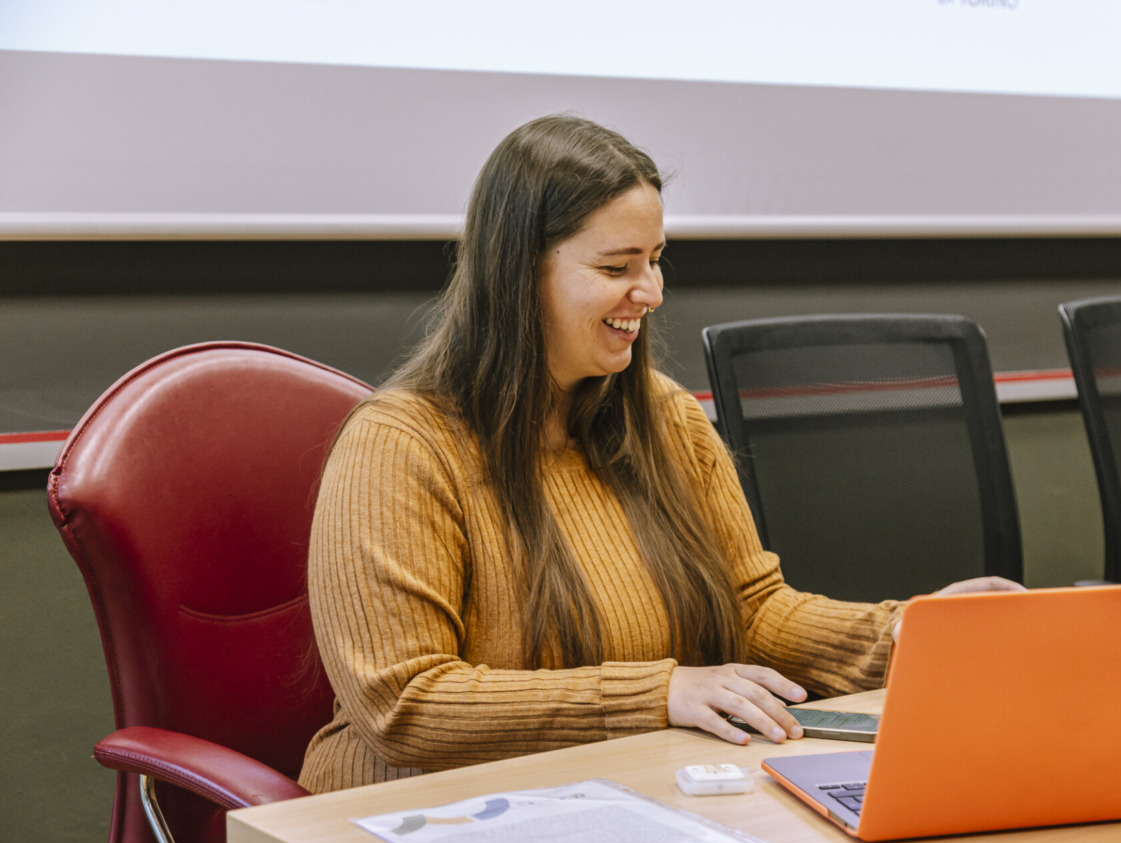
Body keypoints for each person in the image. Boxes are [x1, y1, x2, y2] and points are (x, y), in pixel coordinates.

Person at [298, 115, 1021, 793]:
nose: (651, 291)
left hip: (623, 787)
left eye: (656, 258)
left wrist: (909, 631)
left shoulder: (667, 419)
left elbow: (753, 610)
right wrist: (660, 692)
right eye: (617, 266)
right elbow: (404, 704)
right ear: (519, 275)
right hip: (413, 812)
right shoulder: (399, 447)